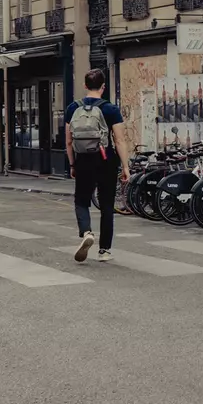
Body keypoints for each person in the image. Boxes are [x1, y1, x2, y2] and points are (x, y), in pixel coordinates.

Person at [64, 69, 131, 263]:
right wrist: (125, 166)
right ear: (103, 87)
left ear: (85, 86)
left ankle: (86, 232)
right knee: (107, 205)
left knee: (81, 201)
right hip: (106, 159)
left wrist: (72, 164)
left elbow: (69, 141)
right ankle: (104, 251)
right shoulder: (111, 109)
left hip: (83, 159)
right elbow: (119, 140)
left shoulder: (72, 108)